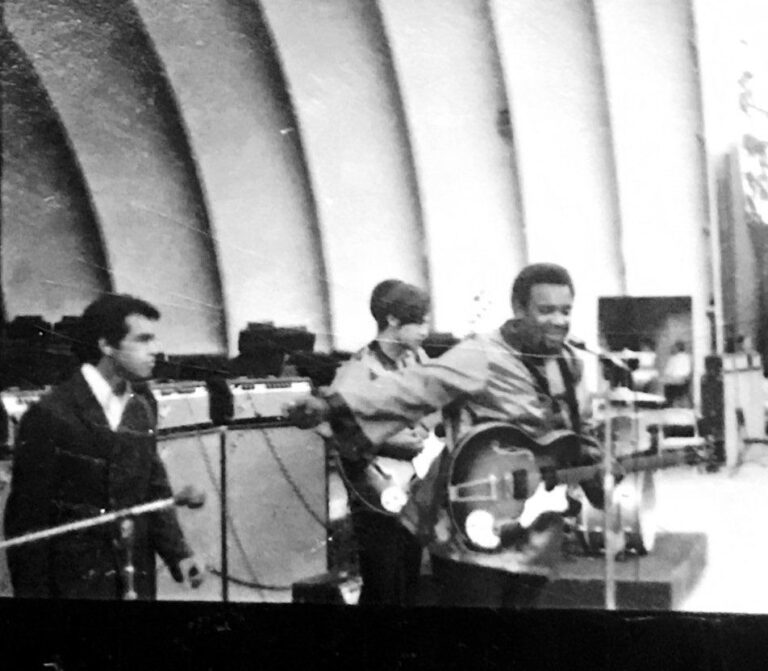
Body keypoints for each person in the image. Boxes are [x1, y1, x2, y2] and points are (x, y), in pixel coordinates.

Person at [288, 263, 604, 608]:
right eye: (546, 310)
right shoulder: (482, 354)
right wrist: (332, 405)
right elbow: (413, 387)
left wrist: (598, 476)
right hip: (469, 537)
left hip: (533, 539)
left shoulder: (570, 364)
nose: (558, 320)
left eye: (565, 311)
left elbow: (582, 434)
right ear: (518, 308)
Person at [3, 294, 204, 599]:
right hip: (74, 586)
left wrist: (179, 555)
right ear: (106, 345)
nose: (155, 350)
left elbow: (153, 488)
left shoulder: (141, 408)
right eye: (143, 339)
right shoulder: (50, 414)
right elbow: (27, 523)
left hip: (134, 581)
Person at [328, 279, 438, 606]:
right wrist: (393, 442)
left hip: (411, 484)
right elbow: (343, 437)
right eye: (418, 322)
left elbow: (435, 403)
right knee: (383, 583)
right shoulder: (357, 370)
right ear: (391, 319)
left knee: (409, 576)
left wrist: (423, 430)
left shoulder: (417, 359)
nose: (425, 331)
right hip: (377, 488)